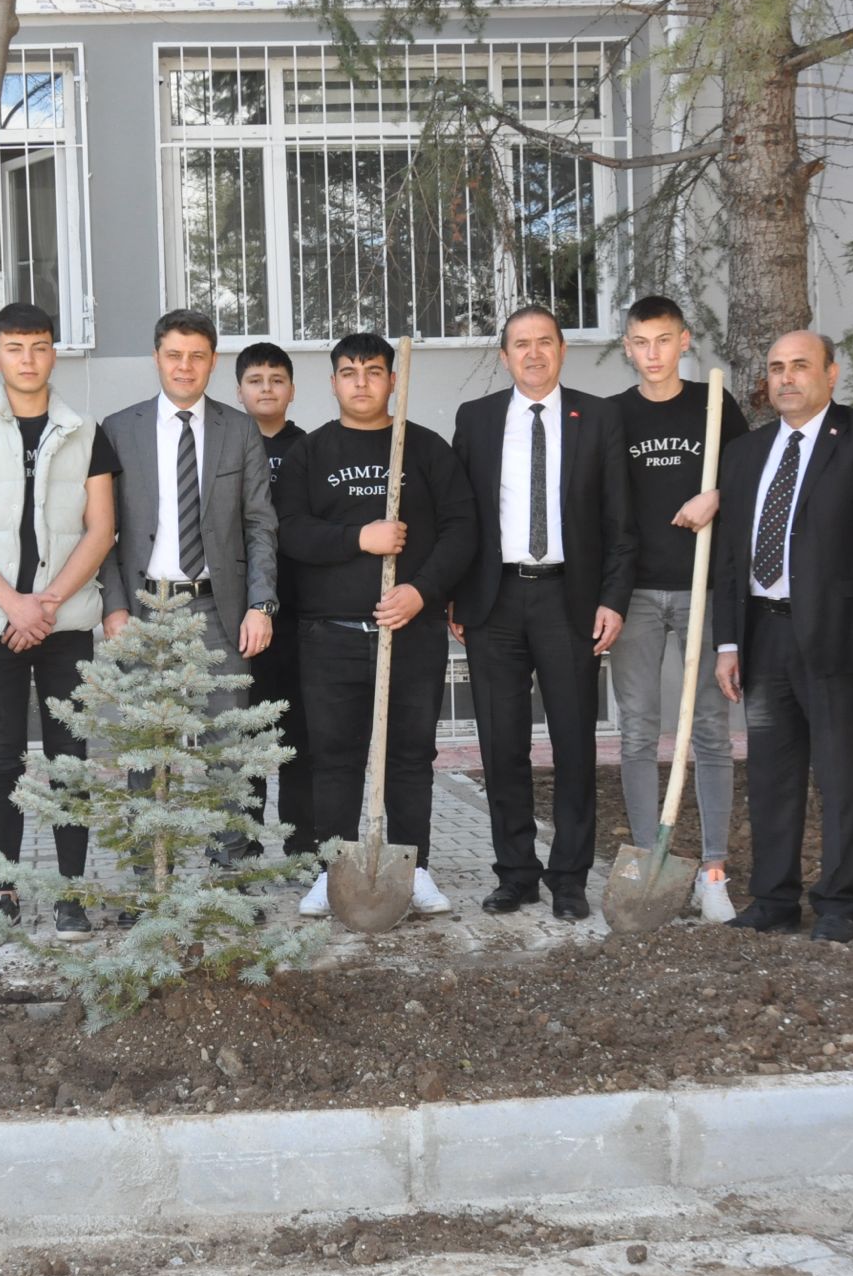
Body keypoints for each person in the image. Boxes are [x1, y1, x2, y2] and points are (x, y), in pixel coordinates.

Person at [713, 332, 853, 943]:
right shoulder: (745, 454)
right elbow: (730, 558)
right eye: (776, 368)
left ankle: (838, 903)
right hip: (765, 637)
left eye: (801, 366)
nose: (786, 378)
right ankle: (774, 899)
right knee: (772, 776)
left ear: (831, 372)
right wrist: (729, 643)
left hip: (841, 639)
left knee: (841, 776)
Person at [276, 333, 476, 919]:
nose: (361, 381)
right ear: (333, 382)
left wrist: (420, 591)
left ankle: (413, 871)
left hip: (411, 631)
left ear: (392, 379)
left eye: (373, 370)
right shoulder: (310, 454)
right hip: (330, 635)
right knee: (333, 758)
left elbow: (462, 530)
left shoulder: (427, 450)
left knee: (411, 758)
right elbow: (289, 531)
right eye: (348, 371)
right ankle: (331, 871)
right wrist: (358, 538)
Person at [0, 302, 119, 946]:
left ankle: (70, 894)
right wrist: (13, 605)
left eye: (39, 346)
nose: (27, 358)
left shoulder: (84, 431)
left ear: (53, 353)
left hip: (65, 622)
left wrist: (42, 604)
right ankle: (6, 890)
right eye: (14, 348)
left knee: (70, 758)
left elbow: (101, 529)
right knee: (3, 760)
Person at [452, 306, 634, 922]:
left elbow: (620, 523)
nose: (533, 354)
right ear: (503, 356)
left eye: (544, 342)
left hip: (570, 600)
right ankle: (516, 874)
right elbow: (461, 517)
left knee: (574, 742)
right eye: (520, 345)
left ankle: (570, 878)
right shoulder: (475, 420)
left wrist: (612, 599)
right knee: (502, 745)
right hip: (494, 600)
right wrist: (456, 594)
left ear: (562, 349)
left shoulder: (599, 417)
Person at [98, 309, 279, 874]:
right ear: (157, 357)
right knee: (146, 752)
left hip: (219, 610)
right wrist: (115, 605)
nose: (184, 366)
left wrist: (260, 602)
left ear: (212, 362)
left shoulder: (238, 428)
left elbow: (259, 523)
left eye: (196, 356)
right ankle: (150, 876)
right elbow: (102, 531)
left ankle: (231, 871)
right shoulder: (118, 429)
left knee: (230, 748)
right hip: (146, 609)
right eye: (174, 355)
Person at [607, 296, 748, 921]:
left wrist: (716, 493)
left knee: (711, 732)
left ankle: (713, 869)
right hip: (634, 594)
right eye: (641, 342)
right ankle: (647, 862)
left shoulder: (715, 407)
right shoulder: (613, 417)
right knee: (637, 731)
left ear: (684, 341)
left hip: (705, 588)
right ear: (628, 347)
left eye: (664, 340)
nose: (653, 353)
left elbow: (750, 481)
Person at [235, 341, 316, 861]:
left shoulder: (310, 447)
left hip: (300, 611)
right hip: (238, 612)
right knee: (244, 735)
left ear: (291, 388)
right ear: (239, 390)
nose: (266, 388)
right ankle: (241, 844)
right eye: (255, 380)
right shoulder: (224, 443)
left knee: (297, 735)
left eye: (276, 379)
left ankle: (300, 843)